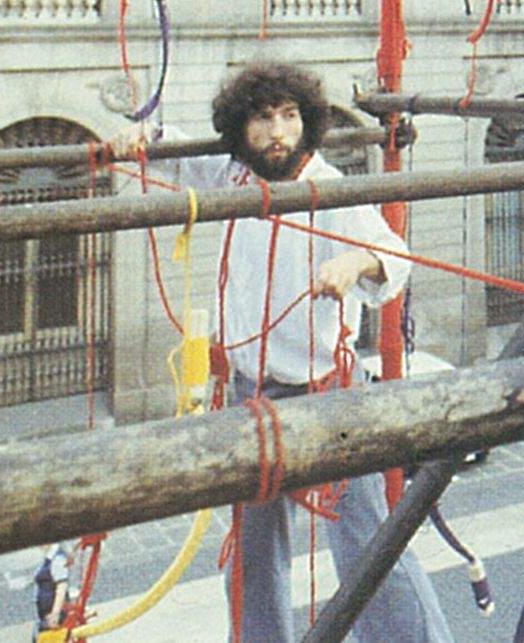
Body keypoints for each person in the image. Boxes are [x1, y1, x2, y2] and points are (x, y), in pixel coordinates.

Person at [187, 61, 454, 643]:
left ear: (307, 122)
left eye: (290, 116)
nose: (278, 132)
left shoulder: (329, 186)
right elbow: (166, 159)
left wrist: (355, 261)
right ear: (241, 128)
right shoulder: (232, 176)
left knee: (366, 539)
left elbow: (394, 255)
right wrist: (135, 139)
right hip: (249, 396)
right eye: (263, 119)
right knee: (252, 552)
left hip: (325, 391)